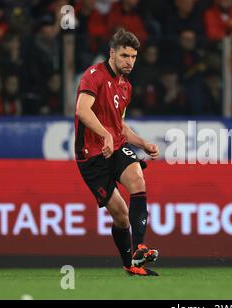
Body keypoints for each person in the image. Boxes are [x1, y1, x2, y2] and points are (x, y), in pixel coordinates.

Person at [74, 28, 160, 277]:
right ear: (112, 53)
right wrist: (105, 134)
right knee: (121, 217)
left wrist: (142, 143)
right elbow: (82, 110)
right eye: (124, 56)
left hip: (117, 147)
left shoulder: (126, 87)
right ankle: (129, 264)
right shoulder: (93, 76)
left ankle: (140, 247)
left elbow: (118, 124)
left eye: (133, 57)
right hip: (91, 155)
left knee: (137, 179)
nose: (129, 61)